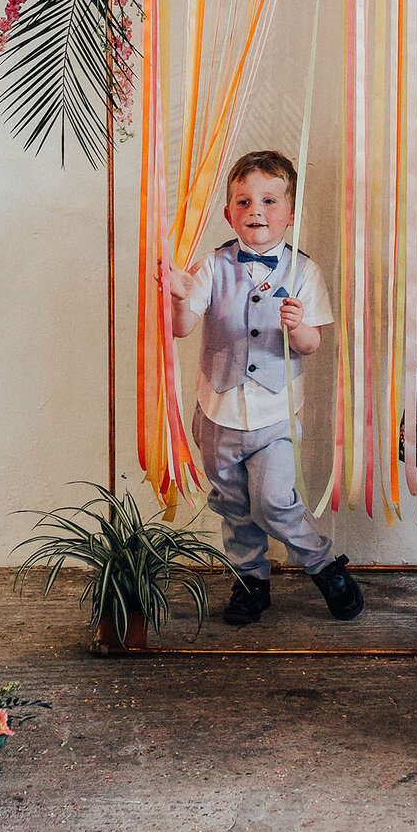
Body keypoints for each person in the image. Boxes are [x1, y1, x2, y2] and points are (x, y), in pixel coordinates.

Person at [162, 149, 364, 627]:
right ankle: (251, 579)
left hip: (273, 414)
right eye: (244, 201)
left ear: (290, 214)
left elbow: (312, 344)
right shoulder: (212, 267)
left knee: (275, 500)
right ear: (230, 212)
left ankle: (323, 564)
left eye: (270, 201)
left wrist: (296, 328)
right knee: (231, 503)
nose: (256, 210)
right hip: (217, 413)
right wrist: (177, 296)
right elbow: (183, 328)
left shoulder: (304, 271)